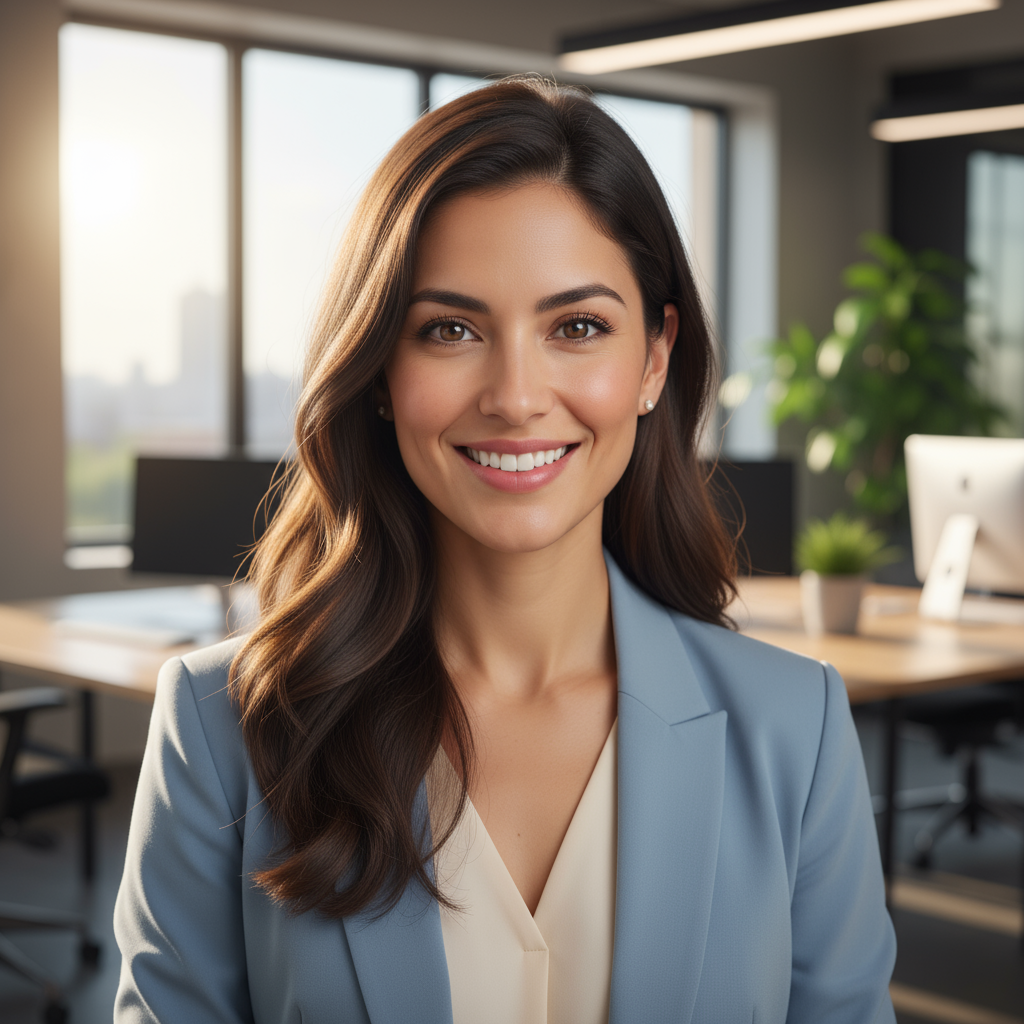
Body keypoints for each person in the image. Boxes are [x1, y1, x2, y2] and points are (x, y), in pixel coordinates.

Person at [114, 77, 896, 1024]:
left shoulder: (795, 729)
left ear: (653, 360)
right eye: (450, 330)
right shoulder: (222, 729)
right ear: (378, 373)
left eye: (577, 327)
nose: (517, 396)